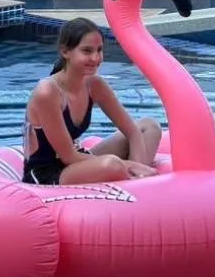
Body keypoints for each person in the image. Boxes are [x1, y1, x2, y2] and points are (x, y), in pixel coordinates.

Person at [22, 17, 161, 185]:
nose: (95, 58)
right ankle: (130, 178)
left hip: (77, 160)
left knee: (150, 127)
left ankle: (136, 183)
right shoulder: (48, 92)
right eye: (87, 51)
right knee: (112, 165)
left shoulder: (95, 85)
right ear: (65, 52)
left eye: (99, 50)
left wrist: (138, 168)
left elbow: (133, 132)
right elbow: (68, 156)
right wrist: (128, 165)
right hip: (48, 173)